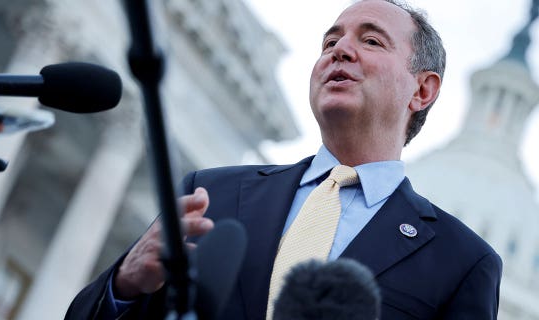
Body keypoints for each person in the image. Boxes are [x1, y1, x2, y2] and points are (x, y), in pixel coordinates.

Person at [66, 0, 502, 319]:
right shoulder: (210, 193)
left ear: (422, 90)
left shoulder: (461, 262)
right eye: (330, 41)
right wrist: (124, 285)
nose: (339, 50)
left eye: (370, 40)